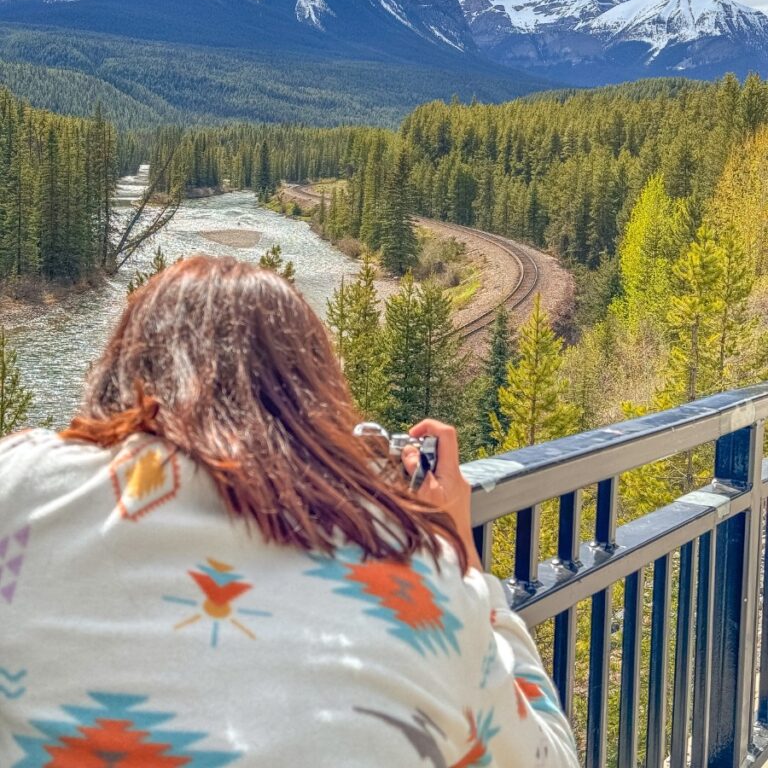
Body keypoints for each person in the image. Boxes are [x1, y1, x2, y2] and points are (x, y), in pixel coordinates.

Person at [0, 255, 578, 767]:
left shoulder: (19, 488)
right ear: (316, 404)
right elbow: (549, 754)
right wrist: (461, 554)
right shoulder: (423, 582)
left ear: (114, 379)